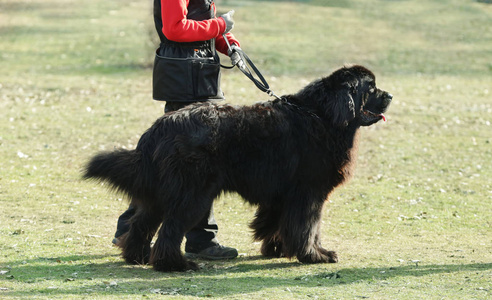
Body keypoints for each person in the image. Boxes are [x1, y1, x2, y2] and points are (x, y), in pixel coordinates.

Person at [113, 0, 241, 260]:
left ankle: (128, 229)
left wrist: (230, 45)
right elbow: (175, 29)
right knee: (198, 167)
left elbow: (200, 21)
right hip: (186, 82)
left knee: (172, 168)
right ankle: (201, 241)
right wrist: (220, 25)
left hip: (195, 78)